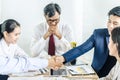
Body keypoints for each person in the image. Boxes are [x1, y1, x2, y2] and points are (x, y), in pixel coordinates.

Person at [54, 6, 120, 78]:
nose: (110, 26)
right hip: (96, 74)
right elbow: (81, 49)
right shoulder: (98, 34)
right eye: (109, 21)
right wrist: (62, 58)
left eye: (115, 23)